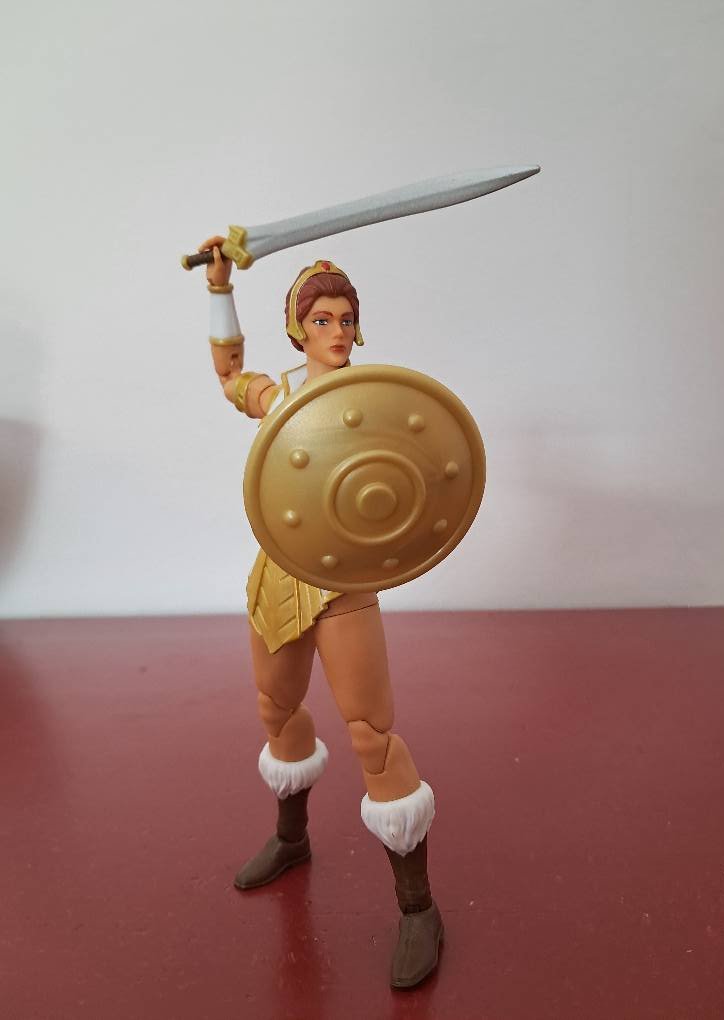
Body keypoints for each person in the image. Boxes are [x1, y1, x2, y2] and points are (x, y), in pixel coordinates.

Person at [198, 236, 443, 989]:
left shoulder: (372, 406)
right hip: (278, 576)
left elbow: (417, 475)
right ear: (299, 330)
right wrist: (219, 288)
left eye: (346, 318)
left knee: (371, 734)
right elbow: (228, 375)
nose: (337, 330)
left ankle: (418, 907)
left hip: (344, 589)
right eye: (323, 319)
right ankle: (292, 837)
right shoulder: (278, 398)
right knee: (276, 710)